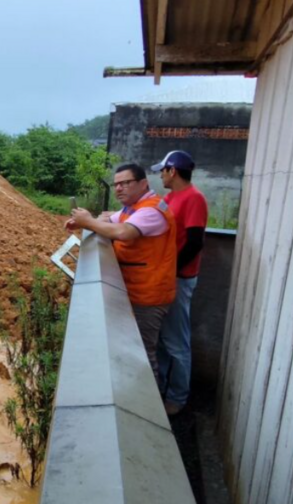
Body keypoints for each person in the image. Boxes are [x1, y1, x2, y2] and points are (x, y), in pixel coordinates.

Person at [65, 163, 177, 383]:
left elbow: (124, 232)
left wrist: (88, 221)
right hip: (136, 290)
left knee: (143, 356)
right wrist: (86, 223)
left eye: (125, 183)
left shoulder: (150, 211)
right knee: (137, 351)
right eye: (116, 184)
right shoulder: (132, 208)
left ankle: (150, 401)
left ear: (143, 184)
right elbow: (110, 220)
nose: (118, 188)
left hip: (148, 296)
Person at [151, 150, 208, 416]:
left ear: (172, 171)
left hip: (179, 278)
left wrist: (171, 270)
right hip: (167, 276)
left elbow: (195, 243)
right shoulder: (169, 198)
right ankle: (160, 390)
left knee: (176, 341)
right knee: (163, 339)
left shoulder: (194, 198)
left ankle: (177, 397)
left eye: (162, 171)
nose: (160, 176)